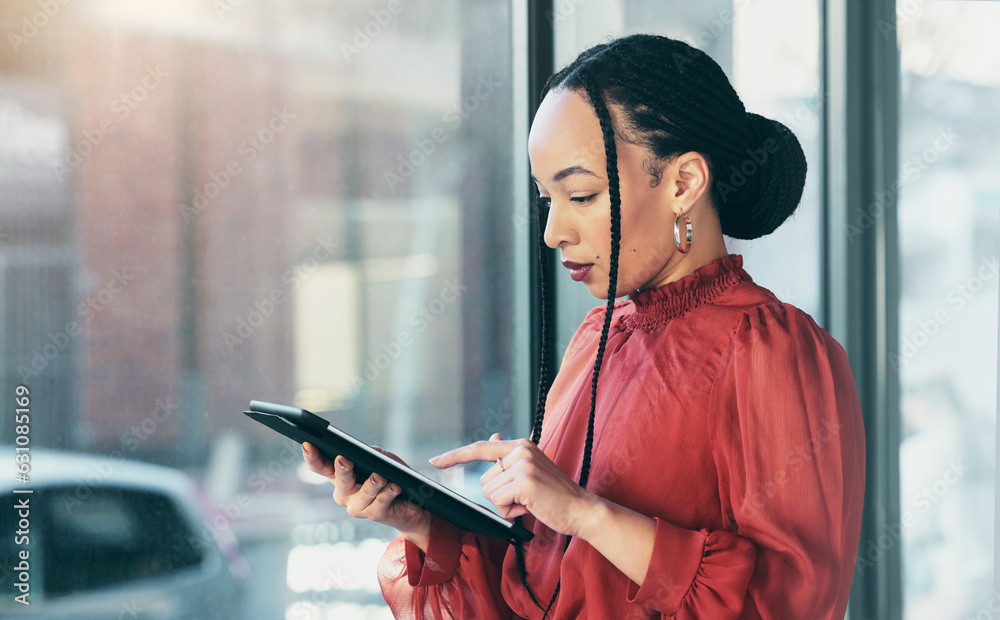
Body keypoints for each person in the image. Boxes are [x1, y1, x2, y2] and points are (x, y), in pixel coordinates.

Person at [302, 33, 865, 619]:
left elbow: (793, 606)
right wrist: (421, 520)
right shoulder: (596, 339)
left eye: (581, 194)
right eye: (549, 199)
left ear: (683, 183)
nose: (553, 233)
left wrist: (586, 512)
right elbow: (543, 595)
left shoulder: (773, 349)